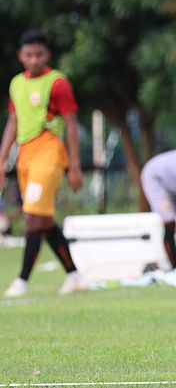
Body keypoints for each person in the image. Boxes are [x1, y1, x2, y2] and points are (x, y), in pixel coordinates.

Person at [1, 29, 86, 298]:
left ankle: (21, 281)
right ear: (20, 56)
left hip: (49, 151)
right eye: (29, 55)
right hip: (26, 154)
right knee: (44, 221)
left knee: (32, 217)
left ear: (47, 55)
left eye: (39, 55)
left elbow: (71, 124)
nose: (34, 60)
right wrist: (1, 160)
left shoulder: (57, 83)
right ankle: (75, 276)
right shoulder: (16, 83)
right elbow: (13, 123)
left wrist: (74, 165)